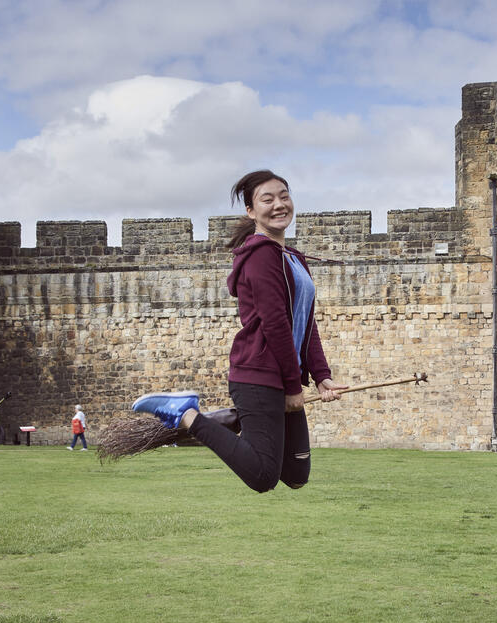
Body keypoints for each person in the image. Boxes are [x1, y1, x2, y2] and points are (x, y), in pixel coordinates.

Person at [132, 170, 347, 493]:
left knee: (296, 473)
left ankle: (237, 421)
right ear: (251, 211)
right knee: (263, 477)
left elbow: (306, 321)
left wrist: (321, 375)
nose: (279, 204)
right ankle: (187, 415)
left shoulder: (293, 257)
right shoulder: (261, 255)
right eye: (267, 199)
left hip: (283, 378)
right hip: (259, 376)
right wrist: (292, 387)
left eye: (284, 196)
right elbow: (276, 326)